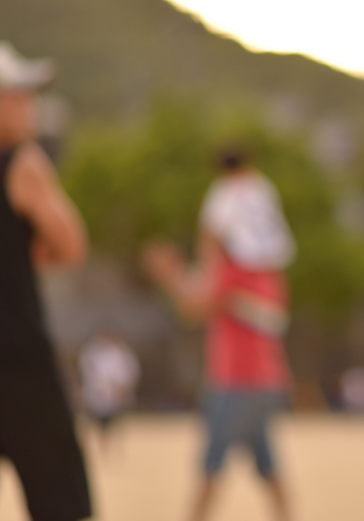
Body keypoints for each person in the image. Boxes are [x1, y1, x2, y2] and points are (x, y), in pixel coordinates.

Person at [0, 41, 92, 521]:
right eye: (18, 94)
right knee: (60, 500)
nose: (30, 105)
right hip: (18, 358)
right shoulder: (21, 164)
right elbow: (71, 245)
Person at [144, 147, 295, 521]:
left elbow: (195, 306)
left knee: (211, 468)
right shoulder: (264, 268)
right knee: (267, 465)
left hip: (237, 379)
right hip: (258, 378)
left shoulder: (237, 268)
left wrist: (169, 274)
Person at [78, 328, 140, 449]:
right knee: (92, 422)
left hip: (113, 396)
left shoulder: (119, 353)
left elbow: (129, 374)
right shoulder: (91, 353)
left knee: (114, 425)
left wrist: (122, 388)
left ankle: (112, 446)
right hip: (96, 395)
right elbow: (87, 373)